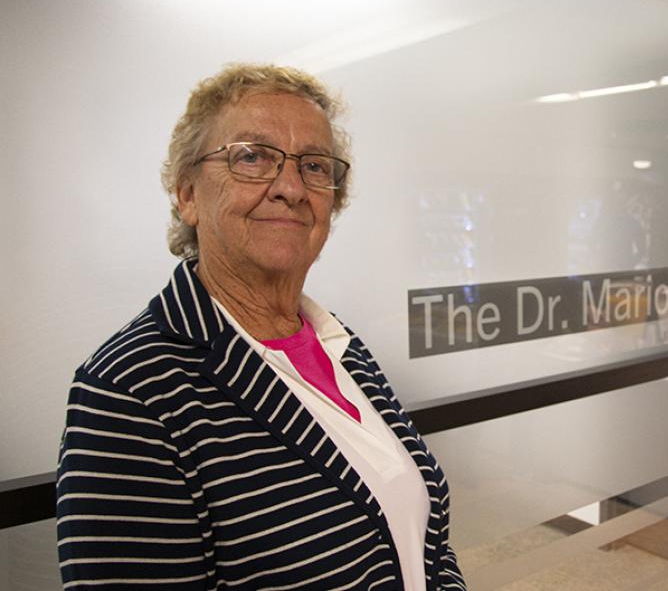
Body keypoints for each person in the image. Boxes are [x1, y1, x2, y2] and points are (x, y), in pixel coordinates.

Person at [56, 63, 466, 591]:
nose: (291, 187)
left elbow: (429, 541)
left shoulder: (338, 343)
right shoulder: (130, 391)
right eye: (252, 156)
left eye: (315, 166)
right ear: (187, 195)